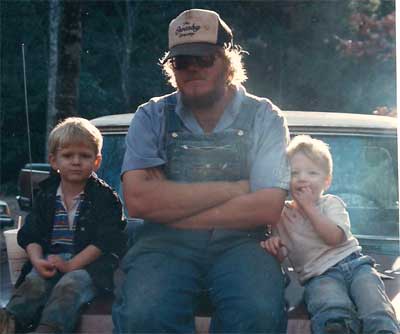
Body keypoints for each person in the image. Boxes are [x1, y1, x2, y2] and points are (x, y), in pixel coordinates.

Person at [112, 8, 291, 333]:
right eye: (181, 61)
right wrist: (236, 188)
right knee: (143, 313)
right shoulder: (150, 117)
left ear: (227, 62)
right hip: (163, 245)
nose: (192, 68)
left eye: (204, 59)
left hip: (243, 244)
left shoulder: (266, 118)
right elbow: (138, 201)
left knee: (260, 312)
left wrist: (170, 204)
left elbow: (268, 206)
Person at [261, 135, 399, 334]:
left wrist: (309, 207)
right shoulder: (281, 214)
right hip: (318, 276)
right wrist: (274, 246)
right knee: (331, 308)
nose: (302, 178)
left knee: (375, 306)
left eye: (312, 173)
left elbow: (335, 238)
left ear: (327, 181)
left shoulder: (331, 203)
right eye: (294, 173)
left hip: (356, 266)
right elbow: (283, 255)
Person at [0, 117, 127, 334]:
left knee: (70, 286)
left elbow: (105, 241)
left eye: (85, 156)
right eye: (68, 155)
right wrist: (37, 260)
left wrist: (71, 265)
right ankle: (8, 322)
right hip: (49, 261)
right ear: (54, 161)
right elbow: (31, 233)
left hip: (89, 267)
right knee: (33, 284)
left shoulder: (106, 198)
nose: (76, 161)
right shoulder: (46, 194)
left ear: (96, 161)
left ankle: (49, 329)